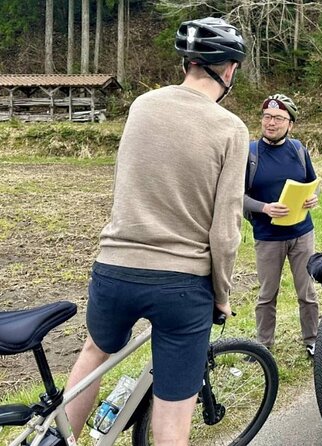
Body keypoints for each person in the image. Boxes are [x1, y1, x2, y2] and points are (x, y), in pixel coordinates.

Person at [63, 17, 248, 445]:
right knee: (171, 416)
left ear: (188, 62)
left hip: (114, 267)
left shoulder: (142, 106)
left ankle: (60, 439)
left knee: (94, 355)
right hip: (182, 284)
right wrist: (221, 294)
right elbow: (225, 230)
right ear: (230, 69)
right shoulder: (230, 129)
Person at [243, 94, 319, 357]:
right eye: (266, 116)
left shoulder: (299, 150)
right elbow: (235, 196)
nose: (270, 122)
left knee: (307, 292)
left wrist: (312, 199)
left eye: (277, 118)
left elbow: (311, 182)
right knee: (266, 296)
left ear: (290, 124)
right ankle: (263, 347)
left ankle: (312, 341)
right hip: (268, 237)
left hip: (302, 234)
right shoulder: (250, 154)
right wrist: (264, 207)